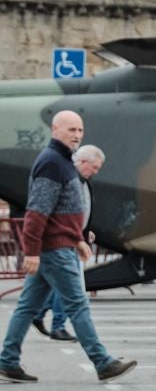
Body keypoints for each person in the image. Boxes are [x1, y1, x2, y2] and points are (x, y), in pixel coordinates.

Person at [1, 112, 136, 383]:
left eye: (80, 130)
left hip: (60, 245)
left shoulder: (62, 162)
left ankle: (7, 361)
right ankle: (102, 362)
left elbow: (63, 210)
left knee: (27, 307)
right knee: (78, 305)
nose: (76, 134)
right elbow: (38, 211)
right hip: (54, 251)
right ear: (55, 130)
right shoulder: (52, 162)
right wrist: (31, 251)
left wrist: (78, 239)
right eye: (71, 129)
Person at [35, 144, 104, 343]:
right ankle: (58, 326)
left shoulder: (83, 181)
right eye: (94, 168)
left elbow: (82, 211)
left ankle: (37, 314)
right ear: (82, 162)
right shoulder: (68, 179)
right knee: (71, 290)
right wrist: (77, 237)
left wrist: (85, 231)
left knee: (51, 286)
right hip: (63, 242)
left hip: (72, 239)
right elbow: (58, 212)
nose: (96, 172)